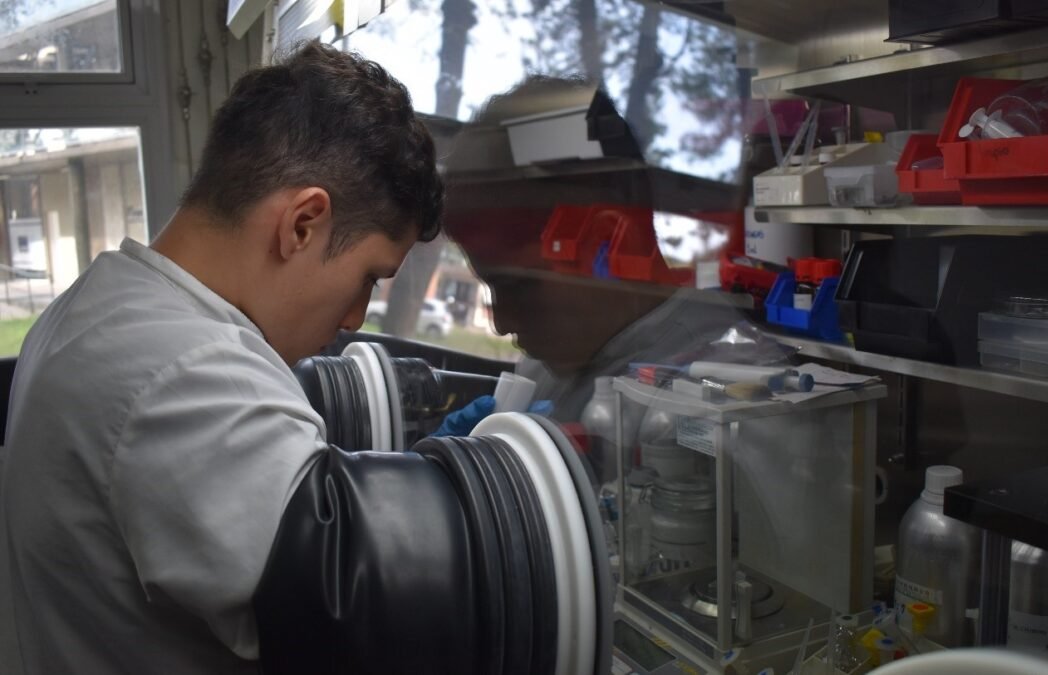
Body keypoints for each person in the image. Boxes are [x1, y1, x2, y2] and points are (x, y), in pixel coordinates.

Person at [0, 42, 442, 674]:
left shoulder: (96, 302)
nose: (353, 320)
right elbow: (367, 619)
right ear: (302, 223)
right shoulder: (189, 370)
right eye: (370, 277)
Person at [443, 77, 752, 424]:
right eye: (492, 287)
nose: (501, 323)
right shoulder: (549, 365)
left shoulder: (724, 394)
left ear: (609, 241)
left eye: (520, 285)